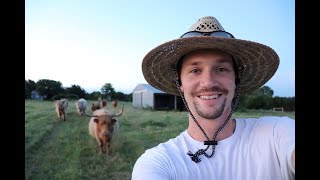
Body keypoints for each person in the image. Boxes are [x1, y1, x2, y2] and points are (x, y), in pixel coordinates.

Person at [131, 16, 295, 180]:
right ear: (179, 83)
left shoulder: (277, 133)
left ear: (236, 80)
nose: (208, 82)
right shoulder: (158, 163)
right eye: (195, 70)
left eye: (222, 69)